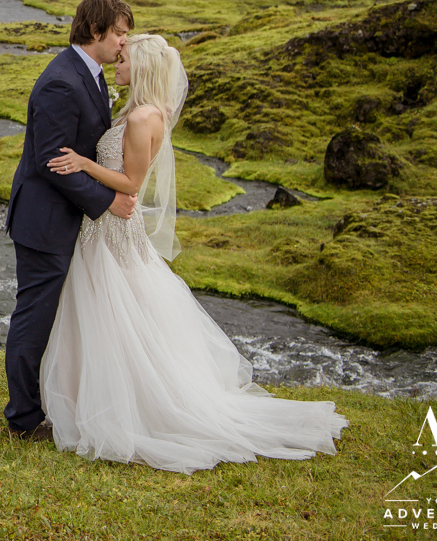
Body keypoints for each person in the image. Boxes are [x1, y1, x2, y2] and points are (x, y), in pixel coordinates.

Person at [39, 33, 347, 473]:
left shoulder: (146, 117)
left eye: (123, 61)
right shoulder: (137, 111)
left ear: (141, 68)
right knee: (100, 315)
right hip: (101, 228)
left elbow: (131, 184)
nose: (116, 65)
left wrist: (84, 164)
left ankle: (129, 409)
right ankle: (85, 398)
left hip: (114, 231)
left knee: (116, 316)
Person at [2, 0, 137, 440]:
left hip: (66, 219)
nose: (124, 43)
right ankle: (22, 418)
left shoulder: (92, 75)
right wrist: (106, 200)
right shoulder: (62, 81)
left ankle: (58, 399)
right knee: (35, 317)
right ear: (95, 31)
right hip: (44, 221)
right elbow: (50, 161)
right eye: (119, 33)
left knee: (57, 317)